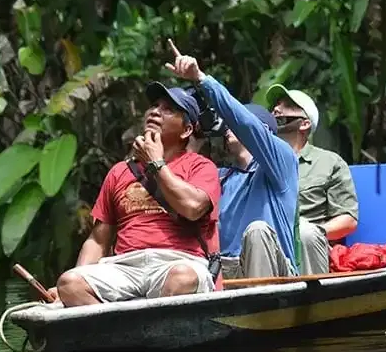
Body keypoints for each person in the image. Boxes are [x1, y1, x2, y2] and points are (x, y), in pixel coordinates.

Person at [48, 83, 221, 306]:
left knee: (181, 278)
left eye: (169, 109)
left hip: (178, 262)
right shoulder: (119, 172)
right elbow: (99, 240)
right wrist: (71, 288)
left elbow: (192, 207)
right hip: (124, 266)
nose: (156, 111)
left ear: (186, 130)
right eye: (155, 106)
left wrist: (155, 163)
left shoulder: (201, 167)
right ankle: (117, 336)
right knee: (69, 283)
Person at [164, 40, 300, 280]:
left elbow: (245, 124)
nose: (228, 127)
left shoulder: (281, 163)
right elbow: (180, 186)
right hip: (227, 268)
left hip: (275, 273)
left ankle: (262, 313)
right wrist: (195, 131)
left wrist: (201, 79)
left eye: (233, 124)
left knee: (257, 231)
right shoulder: (221, 176)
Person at [265, 84, 359, 275]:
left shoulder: (329, 162)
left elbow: (348, 220)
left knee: (305, 233)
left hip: (309, 245)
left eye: (287, 105)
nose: (276, 109)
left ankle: (311, 302)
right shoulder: (260, 162)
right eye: (276, 105)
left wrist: (312, 232)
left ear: (304, 123)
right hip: (270, 243)